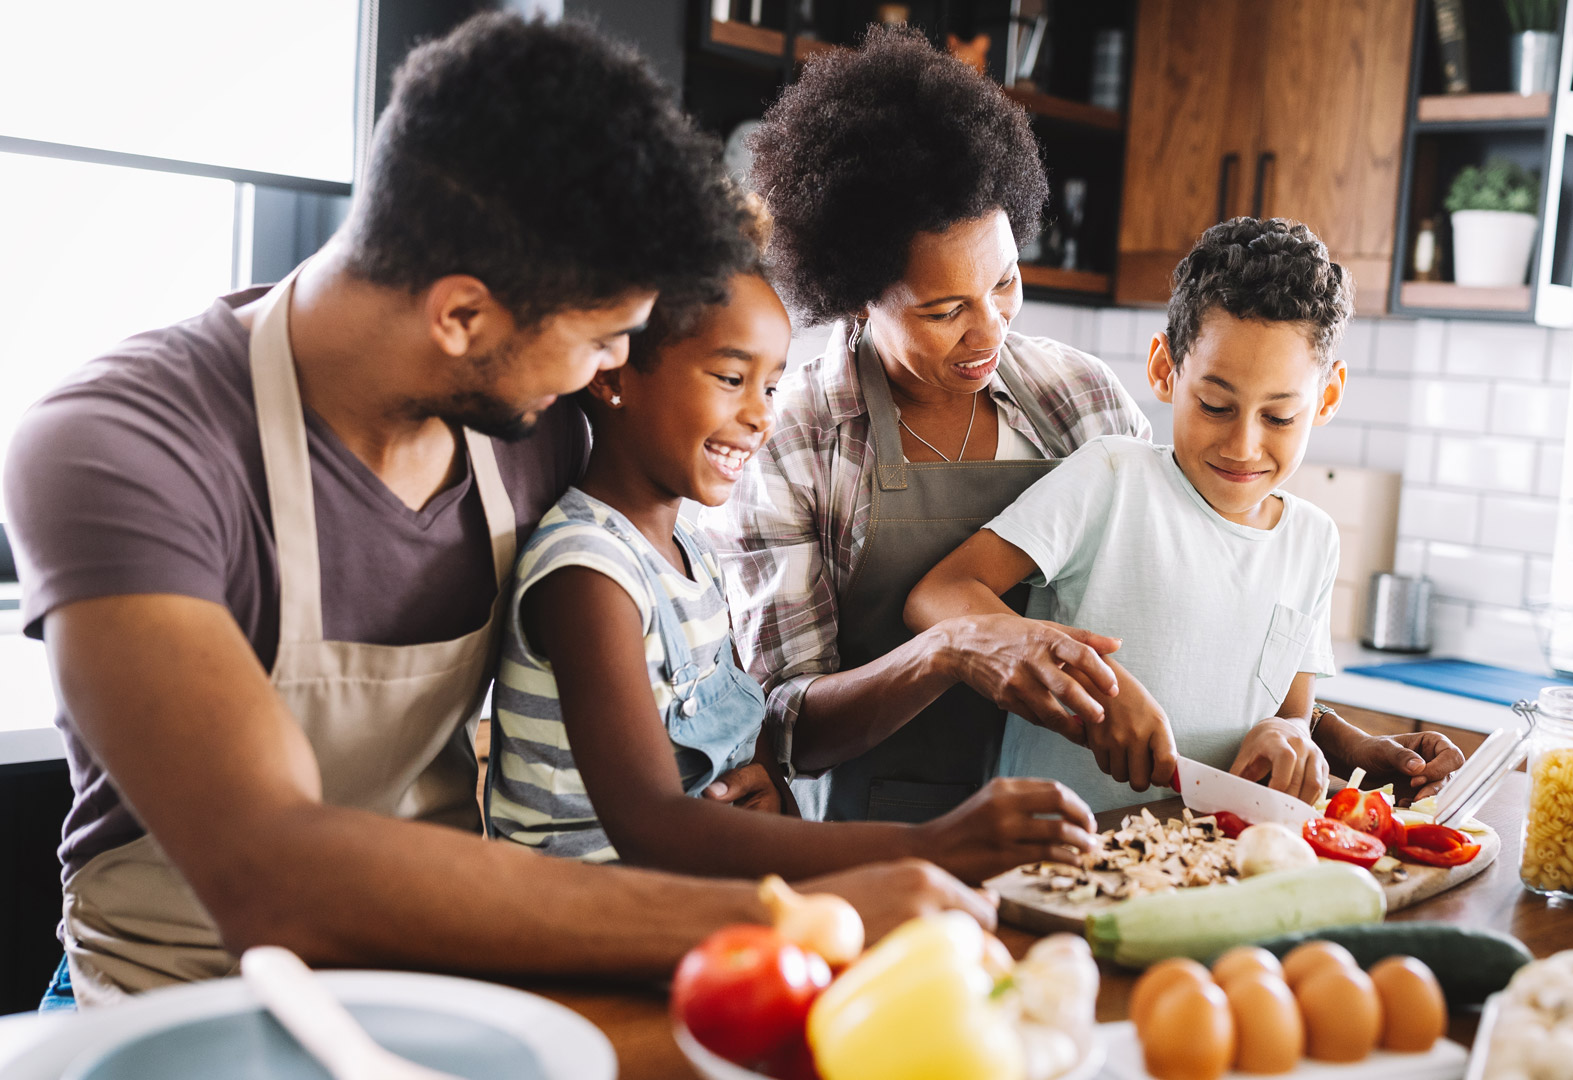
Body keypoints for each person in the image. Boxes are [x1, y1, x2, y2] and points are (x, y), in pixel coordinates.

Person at [6, 14, 988, 1009]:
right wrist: (792, 911)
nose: (616, 370)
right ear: (462, 316)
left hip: (438, 988)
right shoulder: (115, 449)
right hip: (172, 998)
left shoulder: (538, 423)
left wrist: (732, 778)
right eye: (606, 339)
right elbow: (272, 875)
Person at [486, 247, 1097, 881]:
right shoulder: (589, 573)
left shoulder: (688, 555)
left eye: (771, 385)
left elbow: (727, 762)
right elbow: (652, 827)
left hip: (678, 900)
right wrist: (932, 847)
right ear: (611, 377)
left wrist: (764, 785)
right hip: (583, 922)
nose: (761, 416)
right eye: (731, 379)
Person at [708, 26, 1151, 825]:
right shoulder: (795, 436)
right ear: (857, 296)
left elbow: (1173, 598)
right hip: (875, 839)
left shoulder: (1081, 402)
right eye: (946, 310)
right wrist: (949, 651)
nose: (990, 332)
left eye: (1006, 284)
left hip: (1079, 826)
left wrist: (1310, 723)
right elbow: (787, 724)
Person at [906, 218, 1467, 813]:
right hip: (1056, 856)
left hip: (1208, 867)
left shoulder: (1313, 541)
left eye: (1278, 417)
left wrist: (1287, 737)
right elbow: (938, 595)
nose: (1244, 446)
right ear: (1165, 370)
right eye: (1215, 405)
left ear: (1326, 398)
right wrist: (1092, 680)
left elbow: (1289, 712)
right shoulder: (1112, 479)